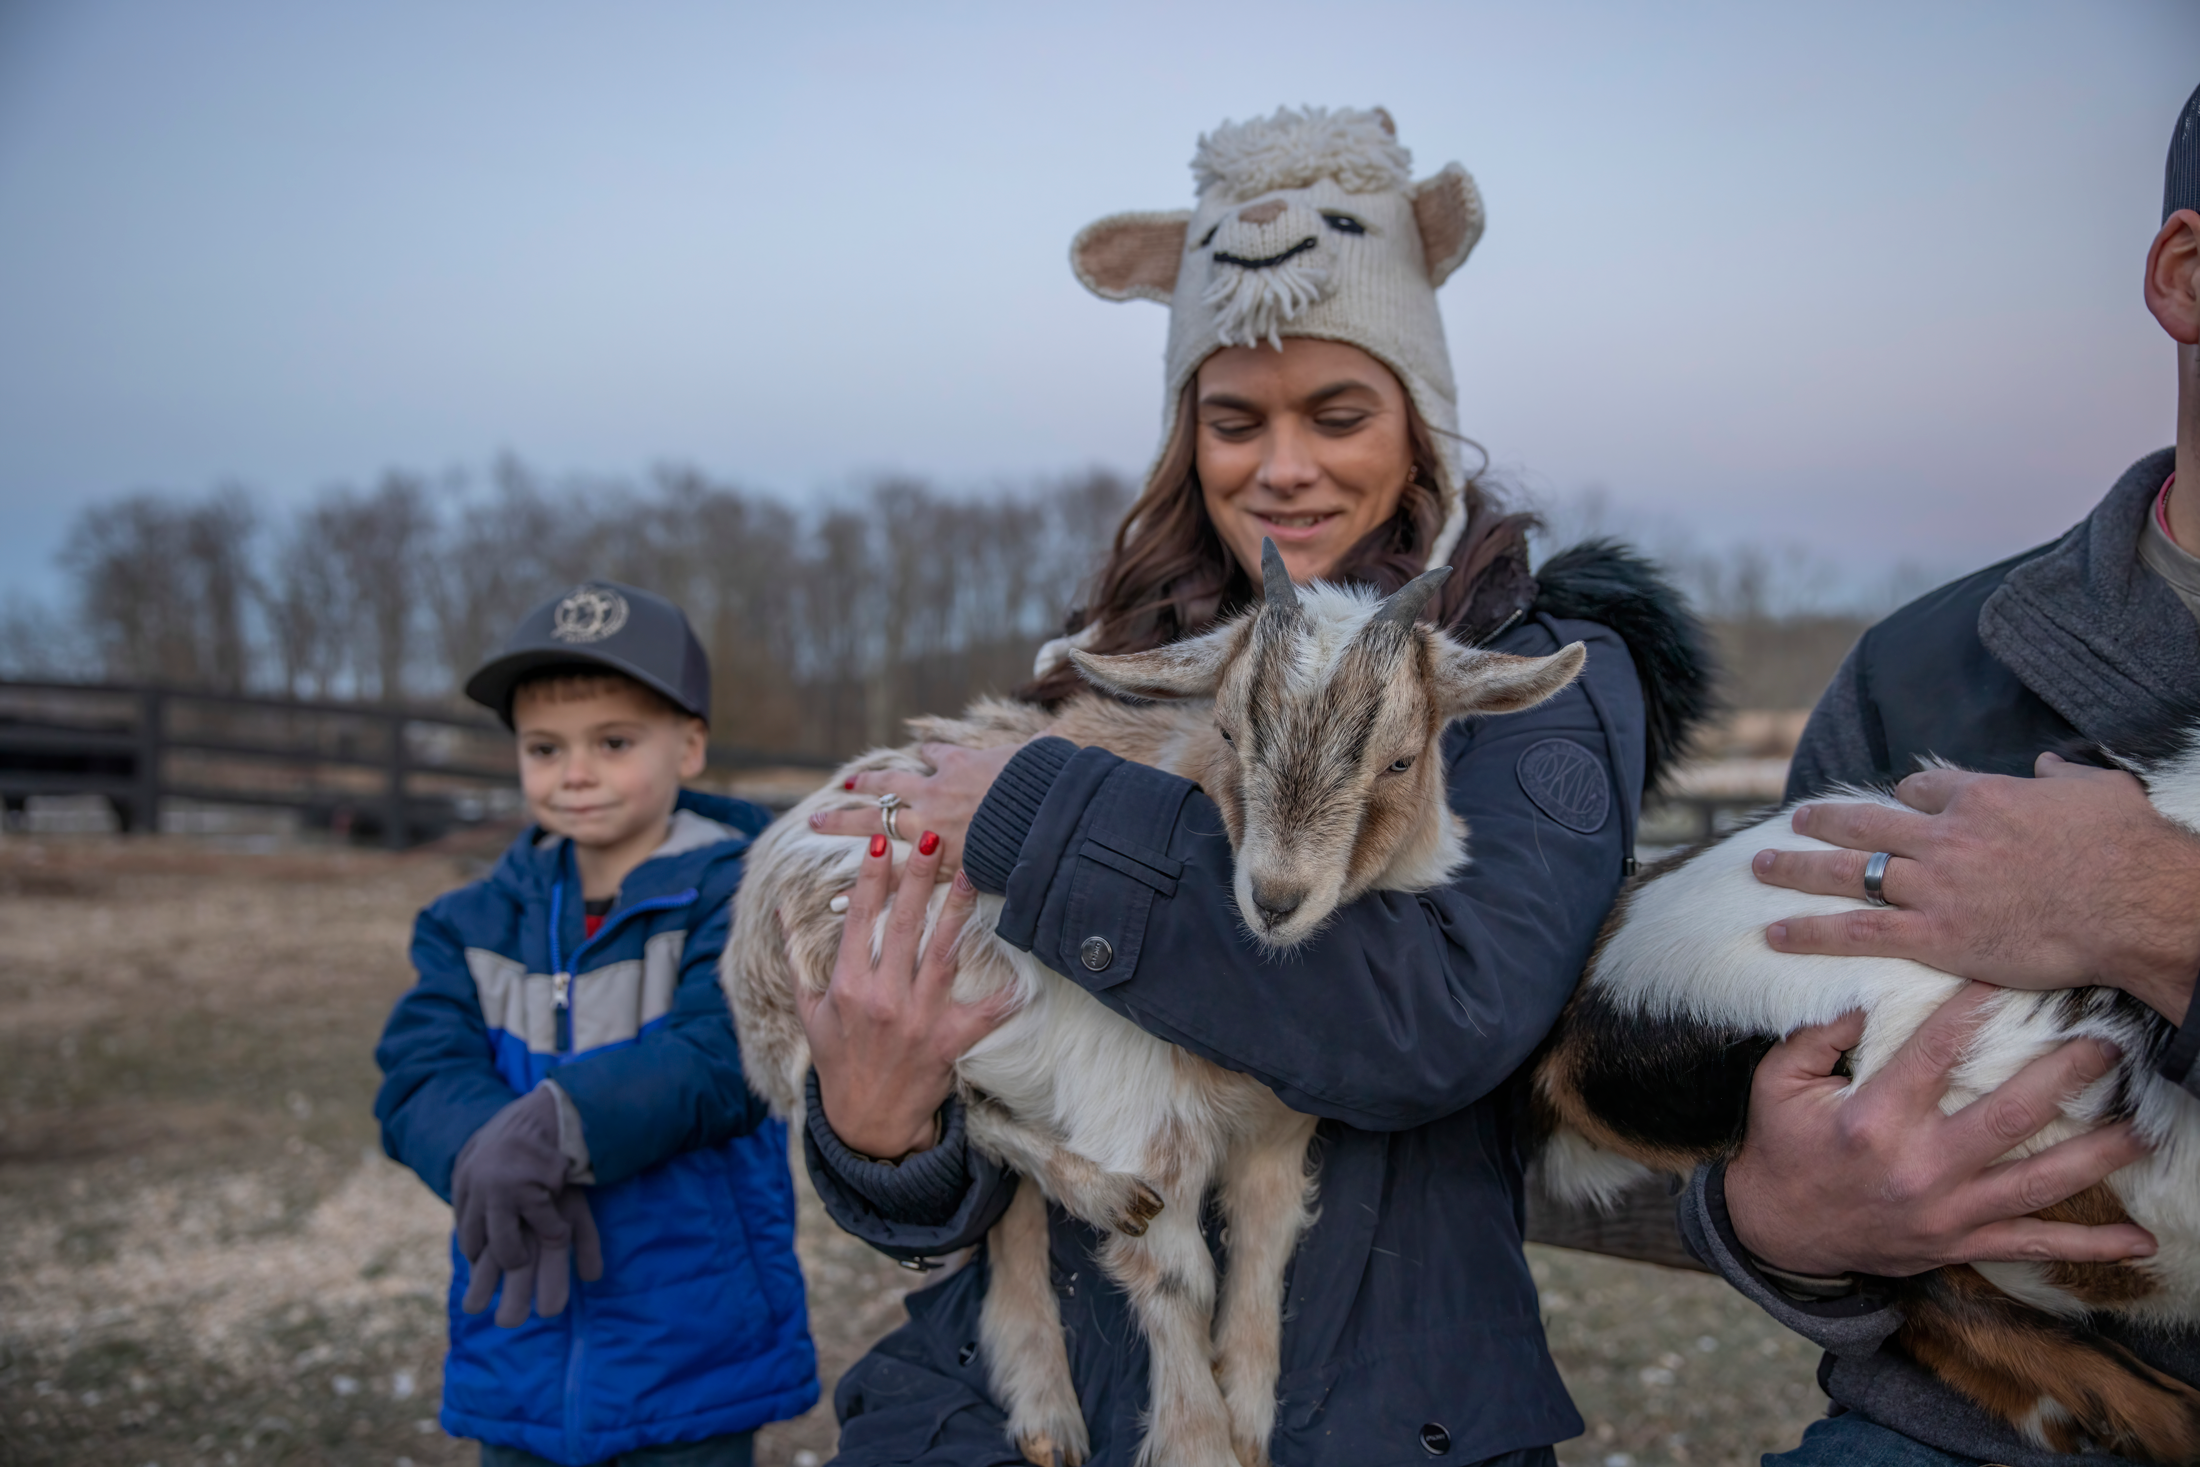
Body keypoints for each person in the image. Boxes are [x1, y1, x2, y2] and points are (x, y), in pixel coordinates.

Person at [794, 106, 1715, 1466]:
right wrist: (883, 1139)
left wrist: (1047, 815)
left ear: (1420, 421)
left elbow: (1443, 1016)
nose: (1283, 466)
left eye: (1338, 412)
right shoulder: (1115, 668)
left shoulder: (1517, 671)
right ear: (1189, 438)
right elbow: (965, 989)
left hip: (1345, 1420)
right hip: (1009, 1415)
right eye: (1235, 420)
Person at [1669, 83, 2200, 1466]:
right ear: (2187, 277)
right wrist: (1785, 1228)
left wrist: (2160, 909)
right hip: (1991, 1425)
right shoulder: (1924, 669)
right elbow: (1763, 1115)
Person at [374, 581, 818, 1466]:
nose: (574, 772)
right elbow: (417, 1070)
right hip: (519, 1338)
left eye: (613, 742)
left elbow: (724, 1052)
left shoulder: (741, 893)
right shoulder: (468, 921)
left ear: (688, 744)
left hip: (690, 1348)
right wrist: (482, 1147)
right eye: (544, 747)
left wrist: (559, 1123)